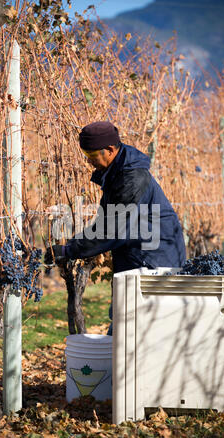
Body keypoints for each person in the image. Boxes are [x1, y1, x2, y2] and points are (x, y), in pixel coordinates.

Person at [44, 121, 186, 335]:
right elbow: (106, 223)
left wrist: (70, 250)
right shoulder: (119, 172)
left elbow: (112, 229)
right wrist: (73, 245)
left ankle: (120, 367)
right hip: (141, 253)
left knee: (134, 323)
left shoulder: (131, 179)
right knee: (126, 318)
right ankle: (118, 366)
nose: (90, 162)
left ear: (110, 150)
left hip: (153, 259)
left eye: (92, 156)